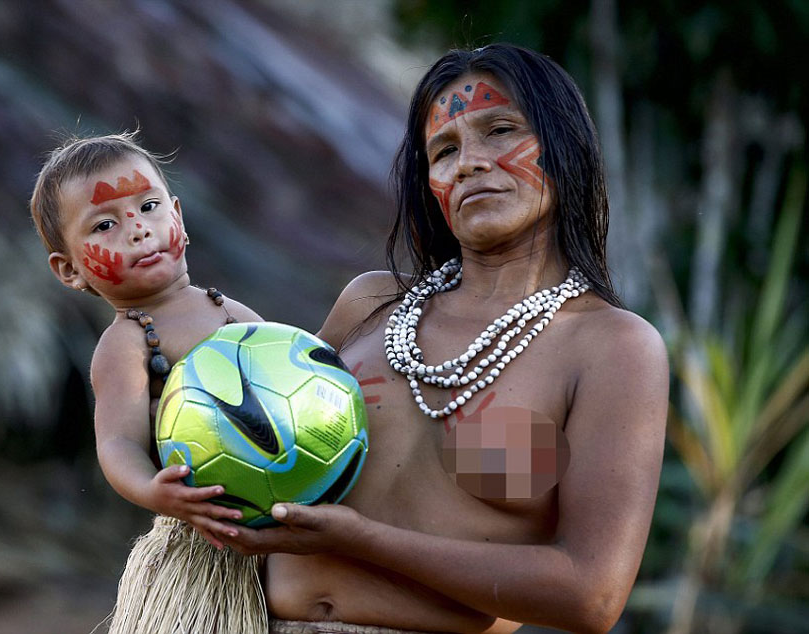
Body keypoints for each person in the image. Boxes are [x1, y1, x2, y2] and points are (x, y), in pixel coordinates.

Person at [225, 43, 670, 634]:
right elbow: (256, 447)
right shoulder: (371, 305)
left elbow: (591, 596)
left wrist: (364, 542)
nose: (469, 163)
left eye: (501, 130)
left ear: (565, 148)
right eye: (445, 150)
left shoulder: (611, 348)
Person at [29, 133, 262, 549]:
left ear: (179, 217)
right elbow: (118, 443)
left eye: (149, 207)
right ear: (69, 270)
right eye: (105, 225)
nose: (138, 229)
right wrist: (155, 491)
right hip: (208, 528)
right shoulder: (126, 344)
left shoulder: (229, 310)